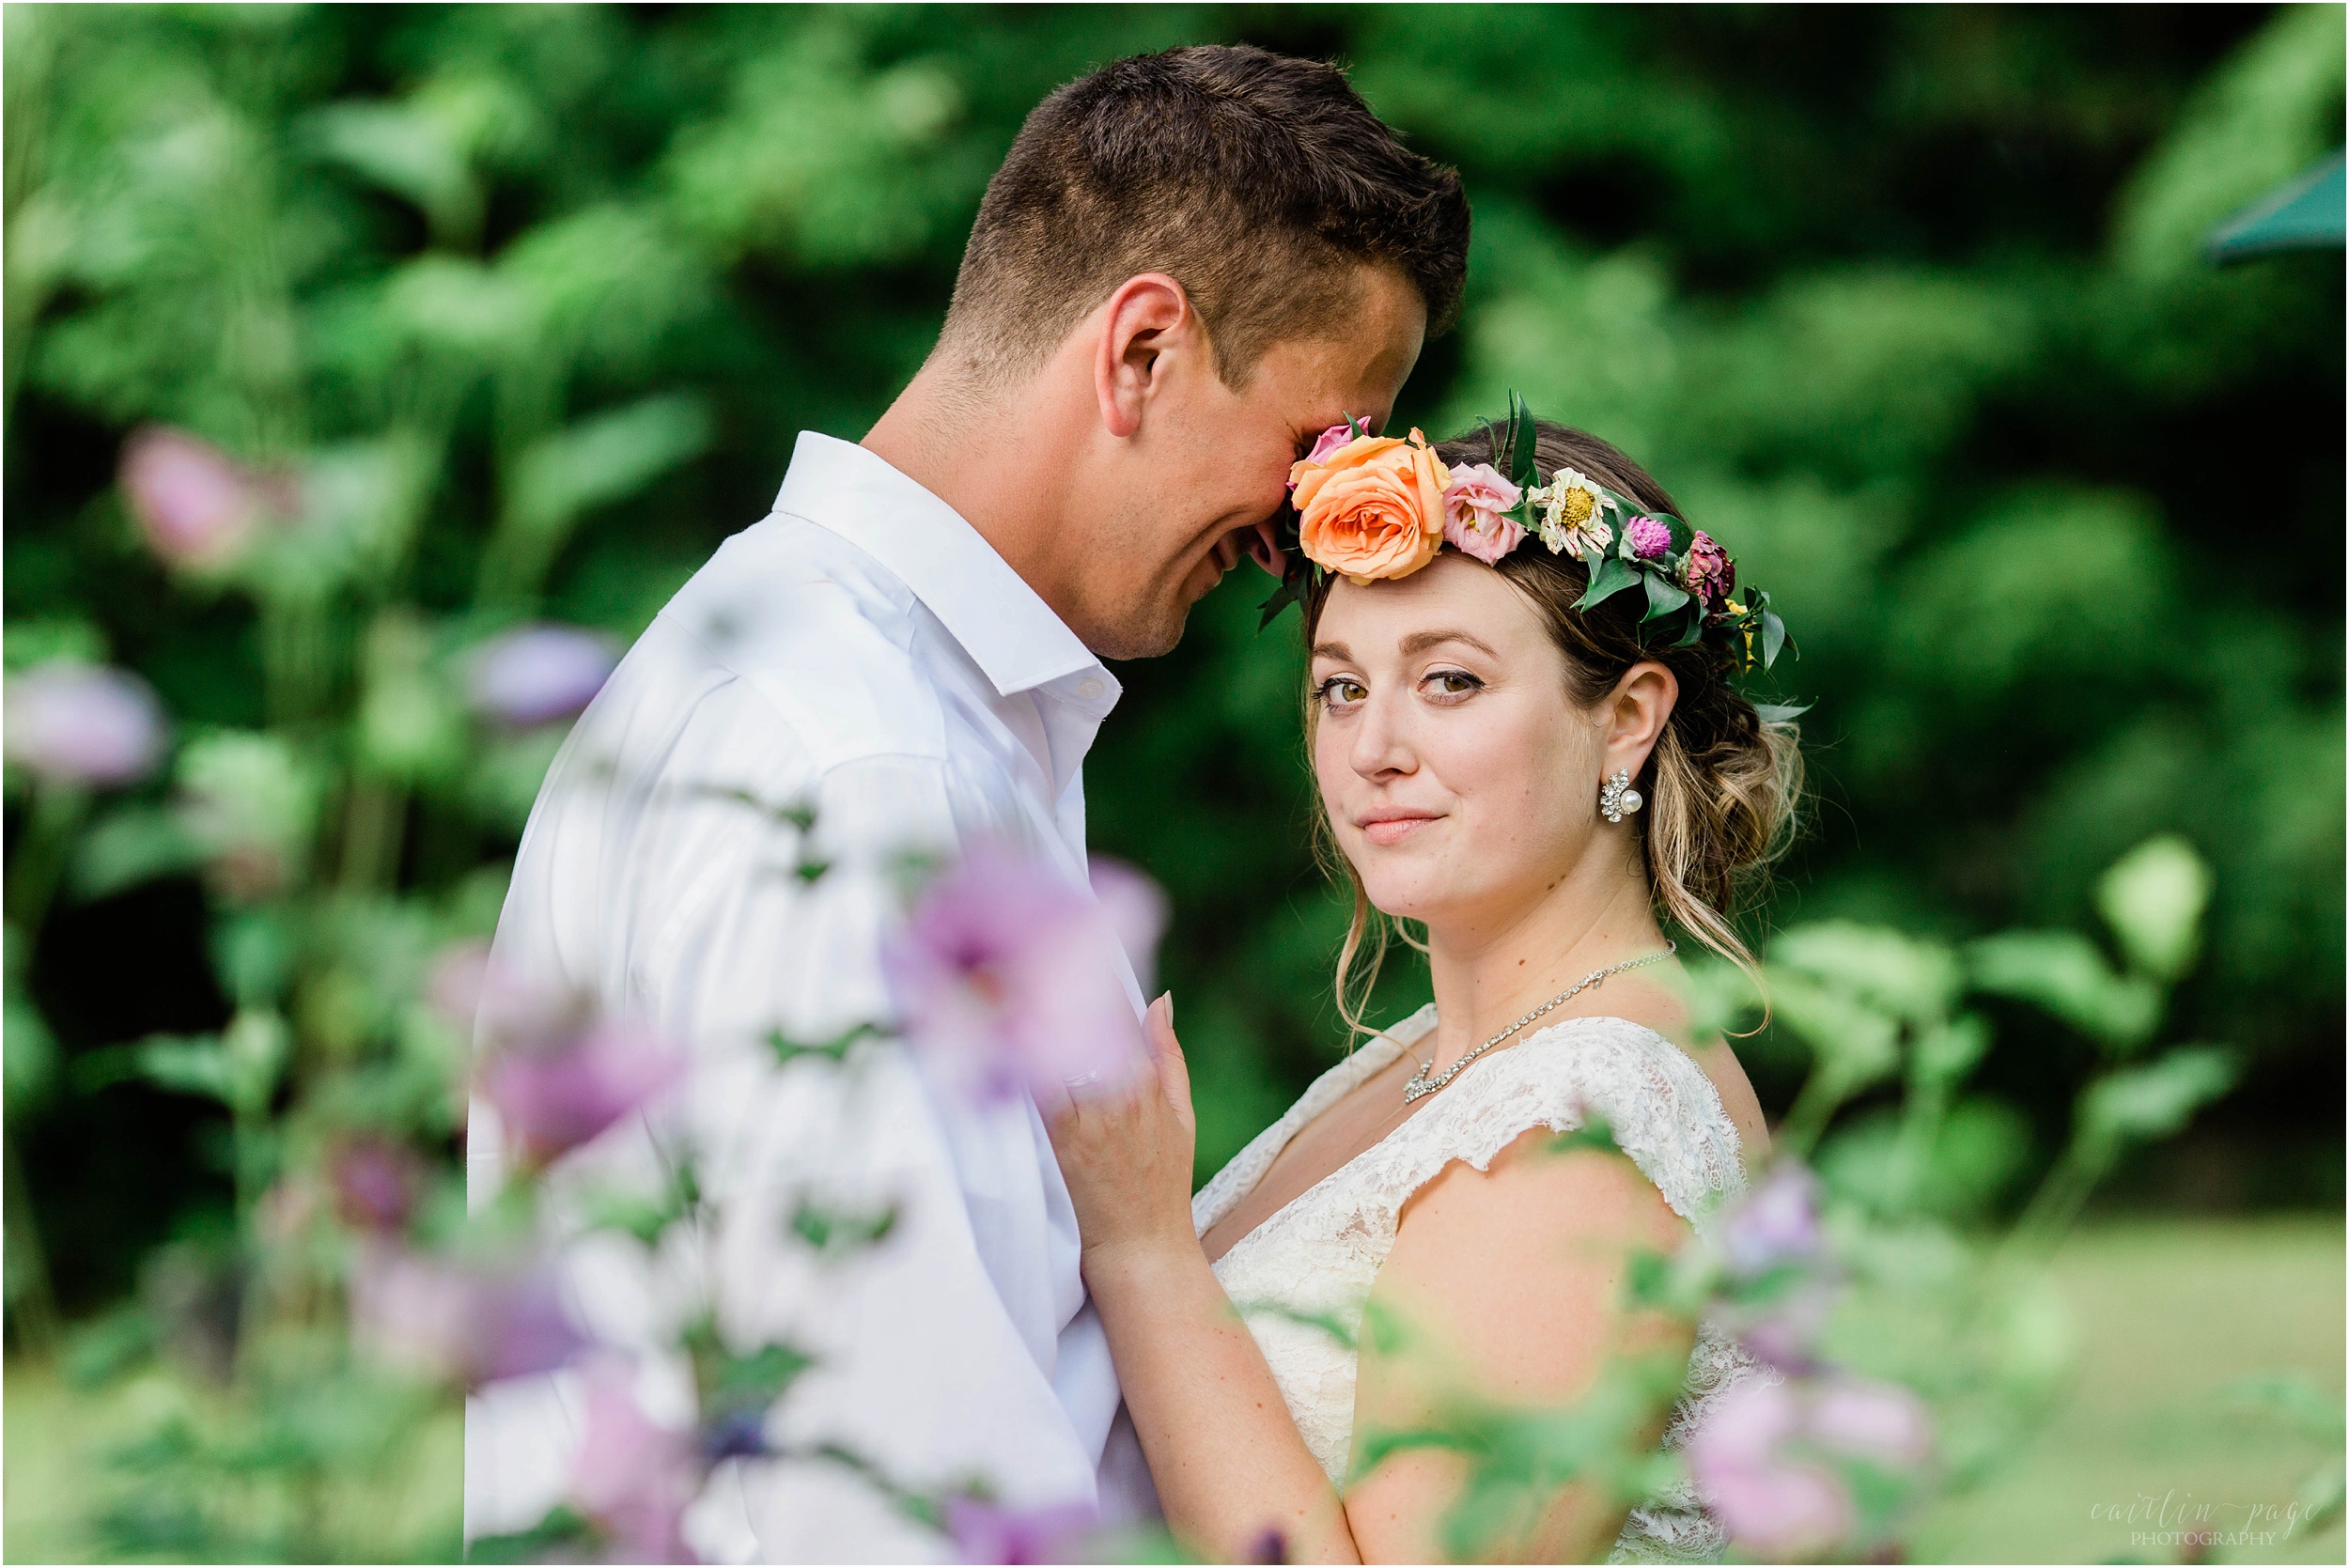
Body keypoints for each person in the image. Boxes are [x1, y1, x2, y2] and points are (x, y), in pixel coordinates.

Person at [461, 44, 1470, 1562]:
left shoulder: (878, 697)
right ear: (1140, 349)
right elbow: (880, 1479)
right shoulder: (860, 765)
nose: (1302, 535)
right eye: (1320, 444)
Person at [1045, 418, 1799, 1563]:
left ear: (1628, 719)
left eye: (1450, 681)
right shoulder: (1432, 1053)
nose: (1373, 748)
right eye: (1339, 688)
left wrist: (1142, 1249)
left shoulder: (1578, 1122)